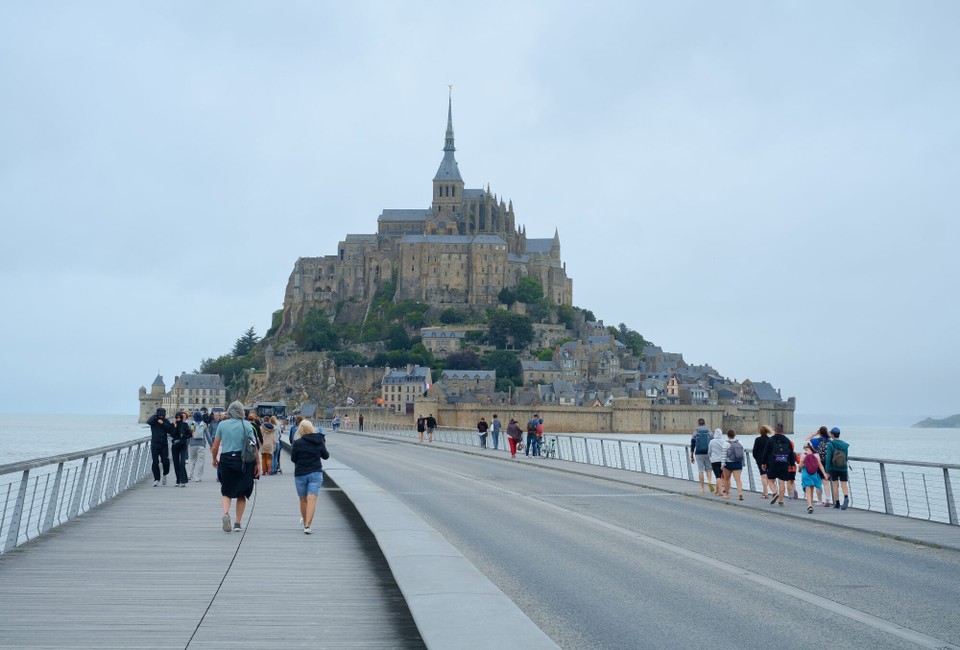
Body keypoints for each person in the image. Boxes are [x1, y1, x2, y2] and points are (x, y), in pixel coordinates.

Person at [211, 401, 260, 532]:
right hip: (243, 461)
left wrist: (214, 459)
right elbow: (253, 447)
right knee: (242, 493)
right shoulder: (247, 425)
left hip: (226, 460)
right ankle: (237, 524)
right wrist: (258, 464)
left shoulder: (222, 424)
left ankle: (226, 513)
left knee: (226, 491)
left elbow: (215, 446)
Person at [290, 419, 329, 535]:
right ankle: (308, 525)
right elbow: (326, 456)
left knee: (303, 499)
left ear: (300, 429)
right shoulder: (319, 441)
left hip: (301, 474)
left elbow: (293, 459)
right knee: (312, 499)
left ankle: (305, 521)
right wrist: (323, 444)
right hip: (315, 473)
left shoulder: (297, 443)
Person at [762, 424, 793, 506]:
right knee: (781, 481)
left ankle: (775, 492)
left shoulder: (771, 439)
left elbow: (765, 452)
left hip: (773, 462)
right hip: (784, 463)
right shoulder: (787, 440)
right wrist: (792, 463)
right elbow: (791, 453)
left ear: (775, 430)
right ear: (782, 431)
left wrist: (763, 463)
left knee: (770, 479)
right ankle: (781, 501)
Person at [146, 408, 173, 486]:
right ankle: (156, 479)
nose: (161, 417)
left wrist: (162, 423)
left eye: (163, 415)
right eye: (160, 415)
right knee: (155, 462)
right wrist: (155, 417)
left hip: (164, 444)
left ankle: (165, 474)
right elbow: (149, 422)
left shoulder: (166, 421)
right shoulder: (154, 420)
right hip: (154, 443)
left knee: (165, 461)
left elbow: (170, 430)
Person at [825, 427, 851, 510]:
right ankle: (846, 497)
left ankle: (837, 503)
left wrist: (827, 470)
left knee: (835, 485)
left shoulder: (831, 444)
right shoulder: (845, 445)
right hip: (843, 467)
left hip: (834, 468)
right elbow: (846, 457)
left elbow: (828, 458)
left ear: (832, 435)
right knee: (844, 484)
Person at [807, 426, 832, 506]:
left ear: (819, 433)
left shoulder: (815, 441)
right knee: (826, 481)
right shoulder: (830, 441)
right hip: (828, 463)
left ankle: (820, 500)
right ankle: (828, 499)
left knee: (818, 482)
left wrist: (814, 434)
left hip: (818, 462)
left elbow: (807, 440)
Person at [800, 442, 826, 514]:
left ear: (805, 448)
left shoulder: (803, 455)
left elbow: (800, 466)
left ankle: (809, 505)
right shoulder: (816, 455)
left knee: (807, 489)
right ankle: (810, 505)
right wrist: (824, 474)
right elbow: (820, 465)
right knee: (811, 489)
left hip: (806, 473)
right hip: (814, 473)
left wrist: (799, 469)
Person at [690, 418, 714, 494]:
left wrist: (691, 456)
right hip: (707, 453)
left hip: (698, 453)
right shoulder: (709, 432)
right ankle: (709, 481)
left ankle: (702, 488)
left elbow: (692, 445)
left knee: (701, 470)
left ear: (698, 423)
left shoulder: (695, 432)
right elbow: (712, 443)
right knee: (709, 469)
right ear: (704, 423)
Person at [170, 411, 193, 487]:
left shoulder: (185, 425)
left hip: (183, 445)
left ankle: (183, 480)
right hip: (175, 446)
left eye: (180, 417)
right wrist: (175, 426)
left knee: (182, 463)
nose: (178, 419)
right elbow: (172, 434)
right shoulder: (173, 425)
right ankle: (178, 480)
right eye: (177, 417)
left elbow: (189, 434)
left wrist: (183, 437)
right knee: (176, 463)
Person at [722, 430, 745, 500]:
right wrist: (743, 462)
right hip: (738, 463)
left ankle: (727, 494)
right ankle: (740, 493)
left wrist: (722, 464)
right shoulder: (739, 442)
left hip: (728, 463)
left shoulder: (725, 444)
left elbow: (724, 455)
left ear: (727, 435)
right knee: (738, 479)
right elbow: (742, 454)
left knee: (726, 479)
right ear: (734, 435)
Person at [752, 423, 773, 499]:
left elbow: (754, 451)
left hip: (760, 460)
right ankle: (765, 492)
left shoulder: (757, 440)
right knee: (767, 476)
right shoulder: (770, 440)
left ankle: (765, 493)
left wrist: (757, 458)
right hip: (769, 460)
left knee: (763, 476)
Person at [187, 411, 209, 482]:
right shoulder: (204, 424)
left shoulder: (191, 424)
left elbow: (188, 435)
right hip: (201, 445)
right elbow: (207, 435)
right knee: (200, 461)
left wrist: (187, 444)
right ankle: (198, 477)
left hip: (192, 444)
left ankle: (189, 475)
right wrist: (211, 445)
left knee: (191, 460)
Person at [708, 428, 727, 497]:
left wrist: (711, 457)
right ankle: (717, 491)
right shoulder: (723, 442)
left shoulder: (711, 441)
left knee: (717, 476)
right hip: (722, 461)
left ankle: (720, 491)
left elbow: (709, 451)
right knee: (721, 476)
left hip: (714, 460)